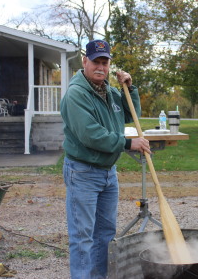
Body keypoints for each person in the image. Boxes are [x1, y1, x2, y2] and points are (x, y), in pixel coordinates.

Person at [60, 39, 151, 279]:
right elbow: (91, 135)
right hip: (83, 171)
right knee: (82, 236)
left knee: (105, 233)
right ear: (85, 61)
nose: (100, 67)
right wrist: (127, 143)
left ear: (109, 64)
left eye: (105, 62)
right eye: (96, 62)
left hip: (108, 172)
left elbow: (132, 115)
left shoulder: (110, 92)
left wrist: (129, 89)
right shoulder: (76, 94)